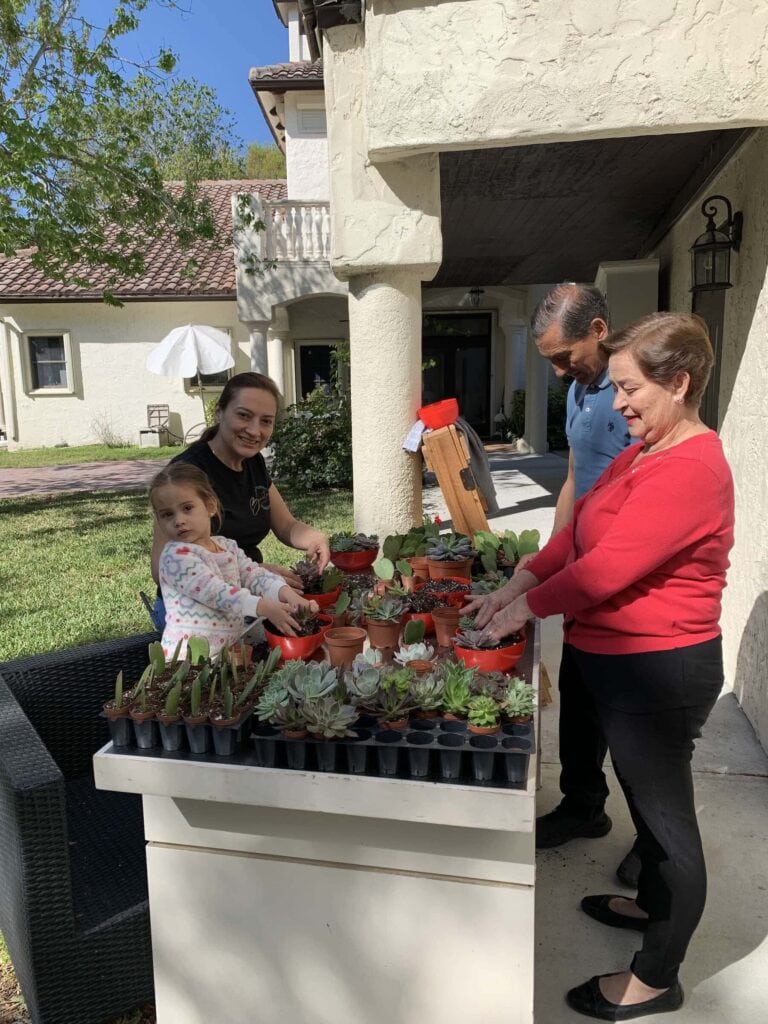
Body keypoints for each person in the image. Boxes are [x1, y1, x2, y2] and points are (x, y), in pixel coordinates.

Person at [466, 312, 734, 1020]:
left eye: (629, 388)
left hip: (659, 667)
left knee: (666, 825)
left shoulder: (693, 466)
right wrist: (515, 586)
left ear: (679, 384)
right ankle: (649, 904)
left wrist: (526, 612)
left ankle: (656, 978)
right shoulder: (642, 453)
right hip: (614, 657)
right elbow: (578, 534)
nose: (617, 404)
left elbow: (605, 570)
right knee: (644, 809)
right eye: (615, 388)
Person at [527, 284, 639, 885]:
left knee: (629, 718)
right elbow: (574, 474)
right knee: (579, 698)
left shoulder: (633, 395)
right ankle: (583, 807)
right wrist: (556, 553)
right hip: (584, 574)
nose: (558, 370)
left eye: (563, 355)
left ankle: (655, 839)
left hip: (623, 581)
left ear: (599, 330)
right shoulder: (578, 389)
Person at [150, 372, 331, 622]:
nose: (255, 430)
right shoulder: (185, 475)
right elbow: (161, 568)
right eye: (244, 415)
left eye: (266, 421)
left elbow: (286, 525)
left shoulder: (253, 462)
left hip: (248, 590)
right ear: (219, 413)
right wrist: (246, 572)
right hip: (193, 613)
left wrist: (316, 538)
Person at [150, 463, 319, 658]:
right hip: (189, 661)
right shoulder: (175, 557)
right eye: (167, 514)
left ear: (210, 506)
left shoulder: (226, 546)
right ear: (159, 520)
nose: (178, 520)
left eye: (187, 508)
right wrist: (263, 607)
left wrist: (287, 594)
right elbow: (215, 592)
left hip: (229, 651)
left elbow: (253, 575)